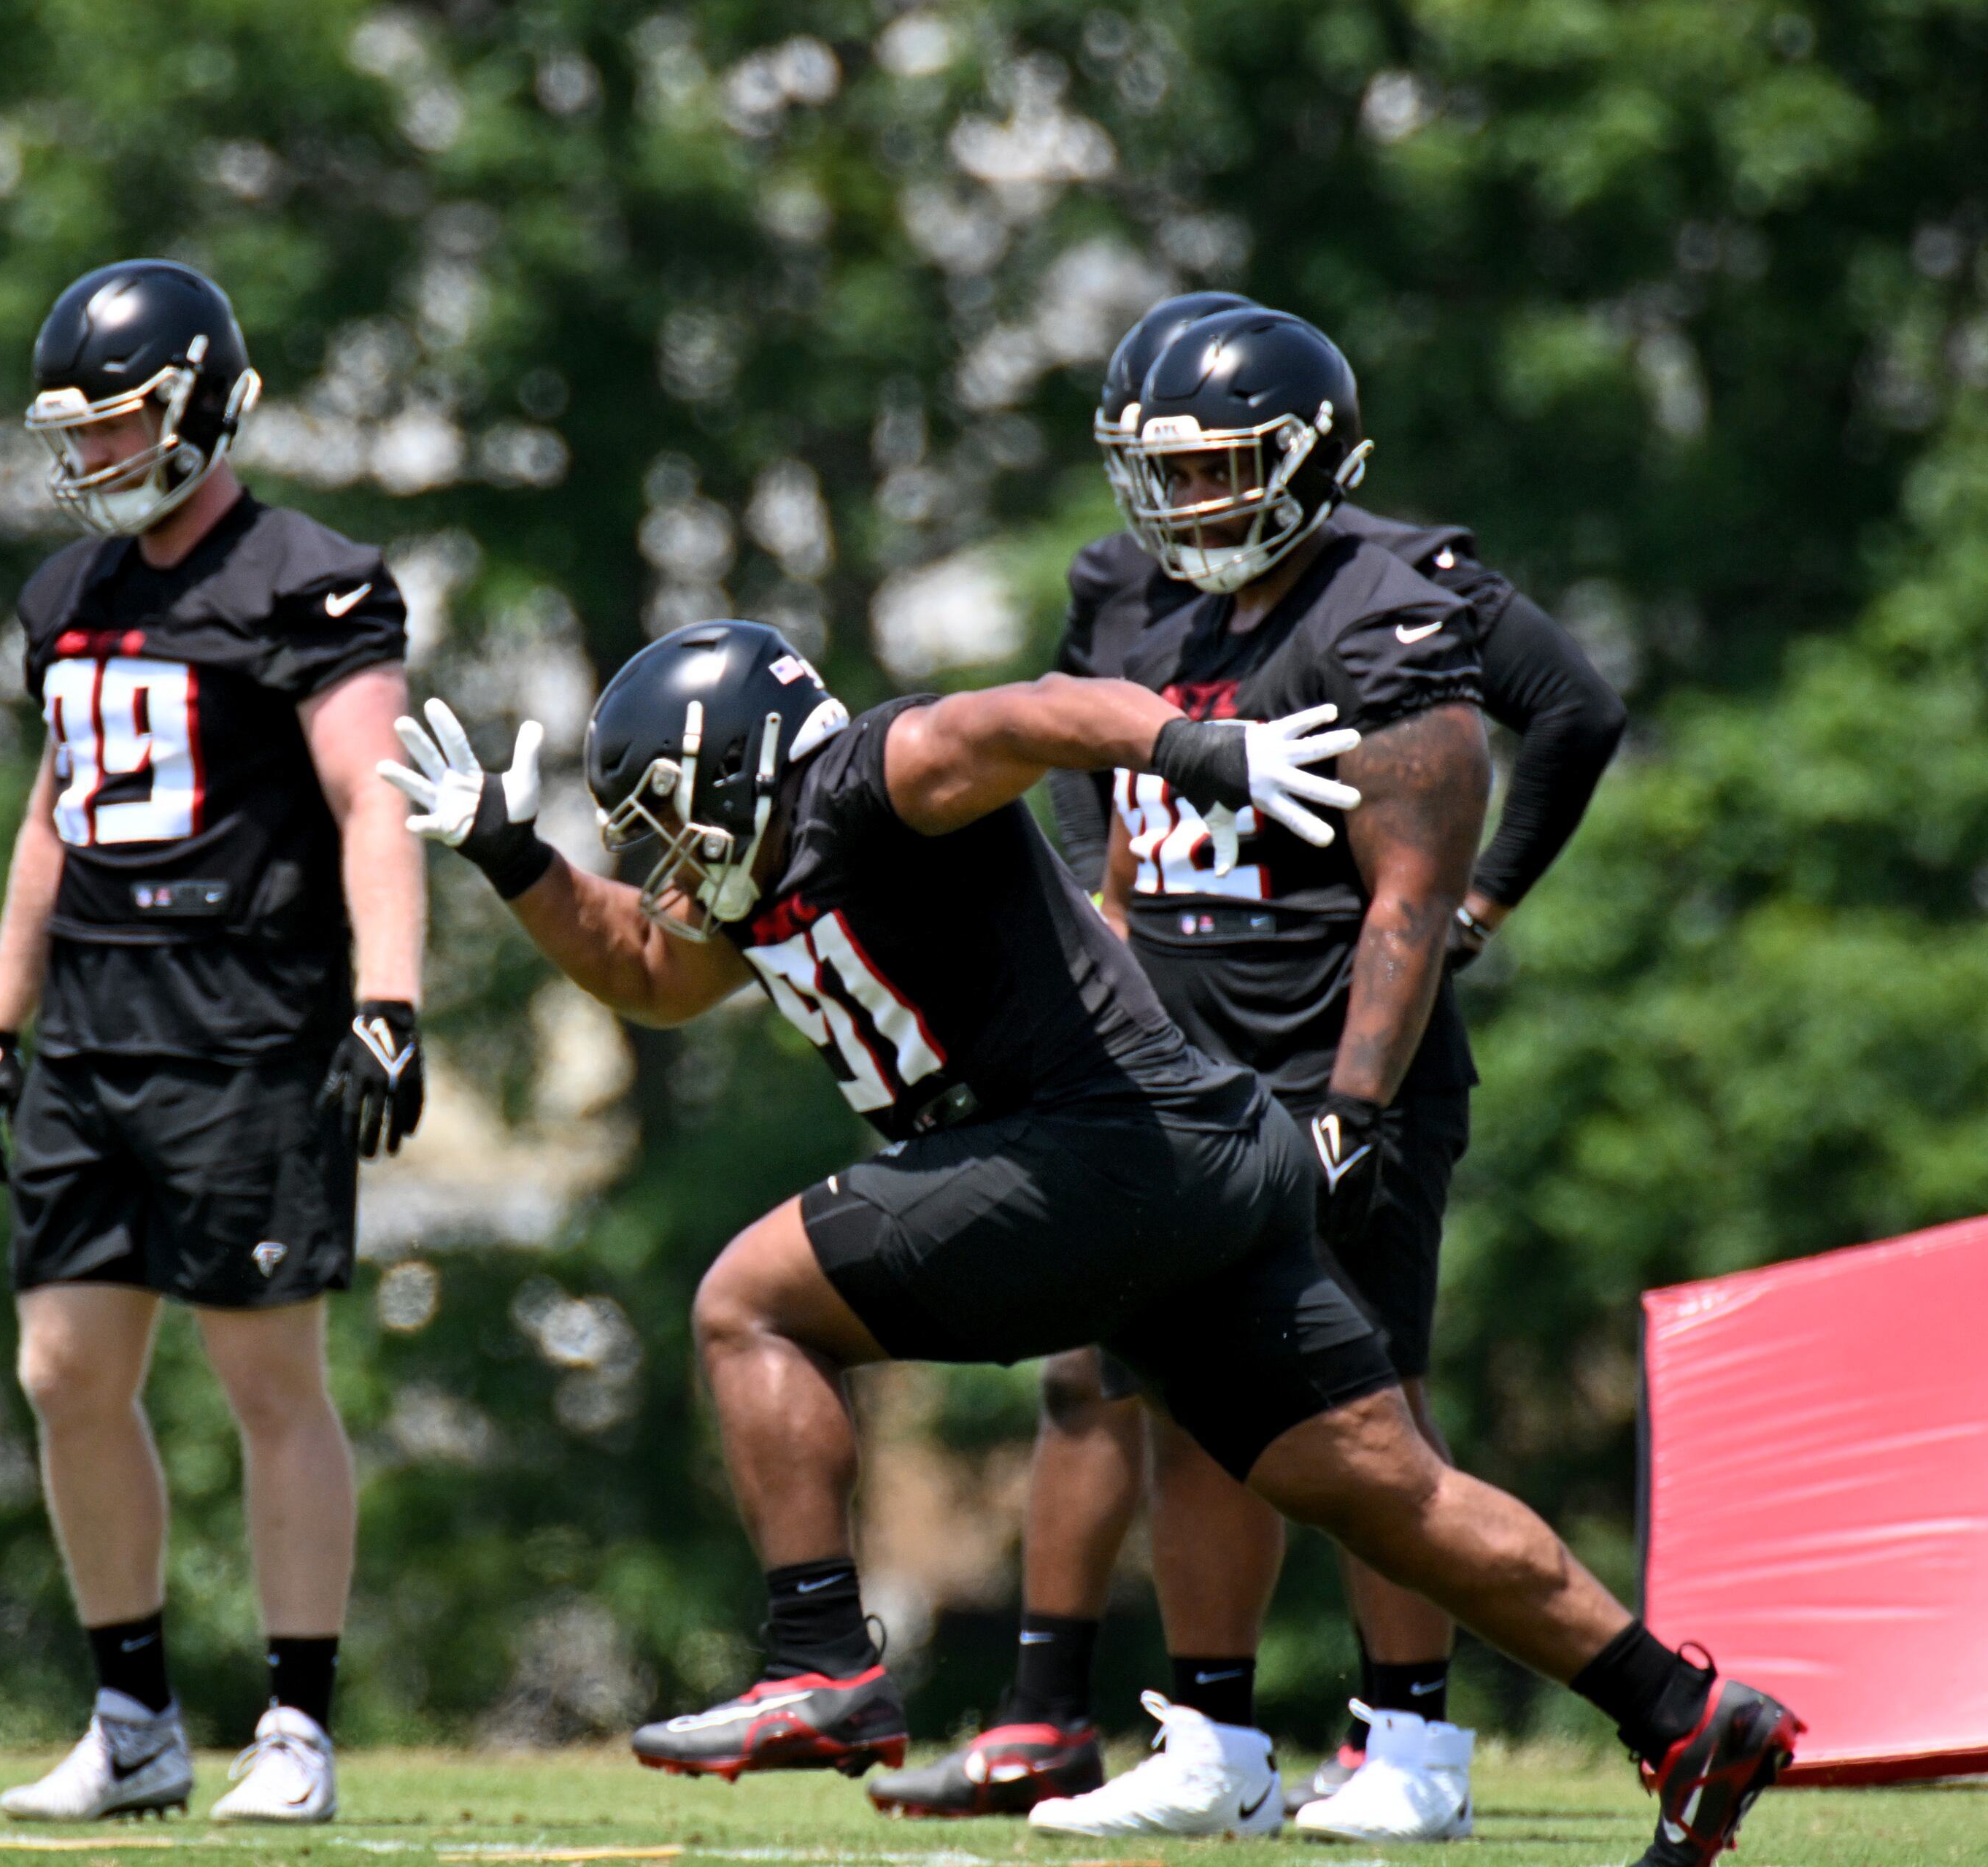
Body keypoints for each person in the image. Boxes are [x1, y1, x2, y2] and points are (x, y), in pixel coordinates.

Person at [380, 618, 1795, 1867]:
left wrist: (1198, 748)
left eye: (675, 822)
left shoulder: (880, 776)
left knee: (750, 1301)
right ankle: (1686, 1714)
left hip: (1102, 1147)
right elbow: (644, 968)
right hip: (1198, 1165)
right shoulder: (762, 878)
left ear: (741, 766)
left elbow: (1030, 714)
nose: (672, 862)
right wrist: (511, 853)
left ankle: (818, 1659)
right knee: (1381, 1486)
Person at [882, 299, 1625, 1837]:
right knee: (1173, 1393)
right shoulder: (1121, 589)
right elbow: (1065, 758)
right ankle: (1212, 1737)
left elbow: (1502, 793)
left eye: (1224, 472)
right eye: (1170, 475)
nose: (1190, 509)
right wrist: (1106, 904)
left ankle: (1412, 1745)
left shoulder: (1390, 599)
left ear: (1311, 460)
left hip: (1331, 1057)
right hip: (1172, 1075)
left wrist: (1392, 1048)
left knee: (1372, 1411)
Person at [0, 260, 424, 1826]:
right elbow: (53, 813)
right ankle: (134, 1712)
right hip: (95, 1024)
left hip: (246, 1022)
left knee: (265, 1374)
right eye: (76, 432)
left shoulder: (307, 578)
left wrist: (389, 998)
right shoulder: (66, 598)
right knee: (63, 1368)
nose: (94, 457)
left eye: (122, 425)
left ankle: (295, 1720)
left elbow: (375, 795)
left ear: (209, 405)